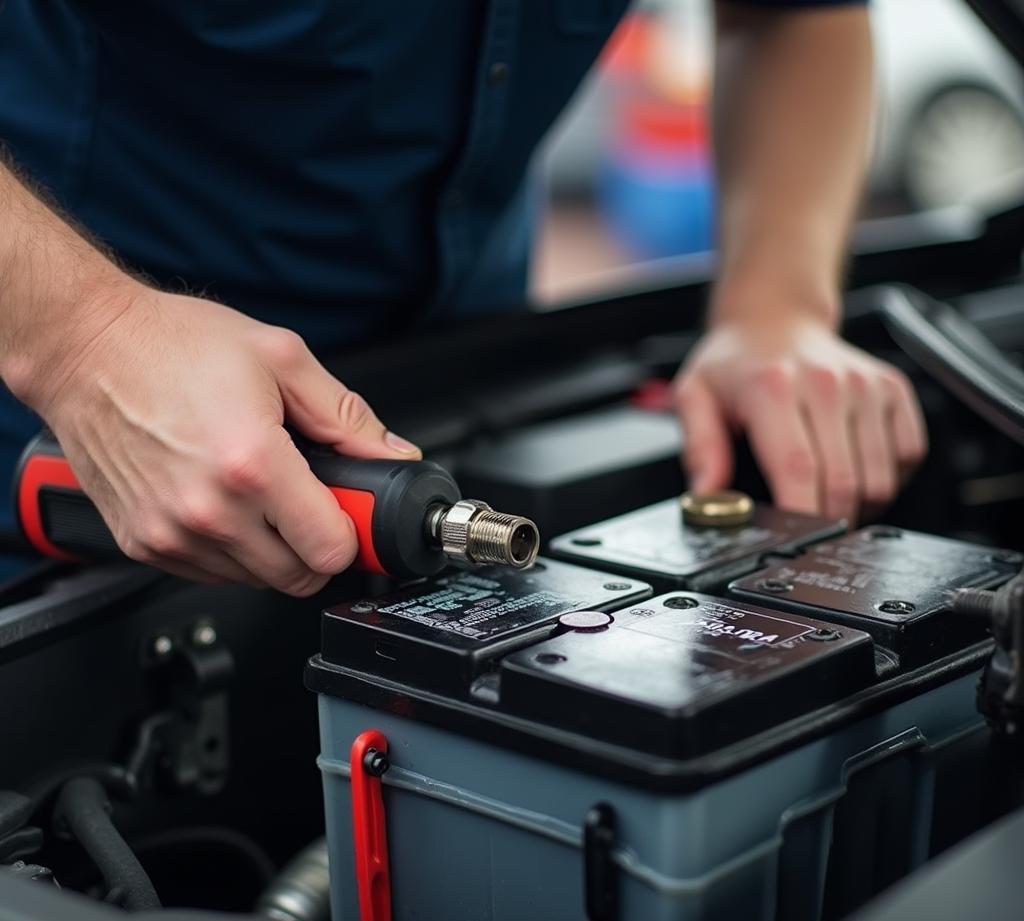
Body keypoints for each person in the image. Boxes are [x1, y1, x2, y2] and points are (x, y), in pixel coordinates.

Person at [0, 0, 926, 596]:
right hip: (74, 435)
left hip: (457, 405)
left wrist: (776, 308)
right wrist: (86, 338)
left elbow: (793, 15)